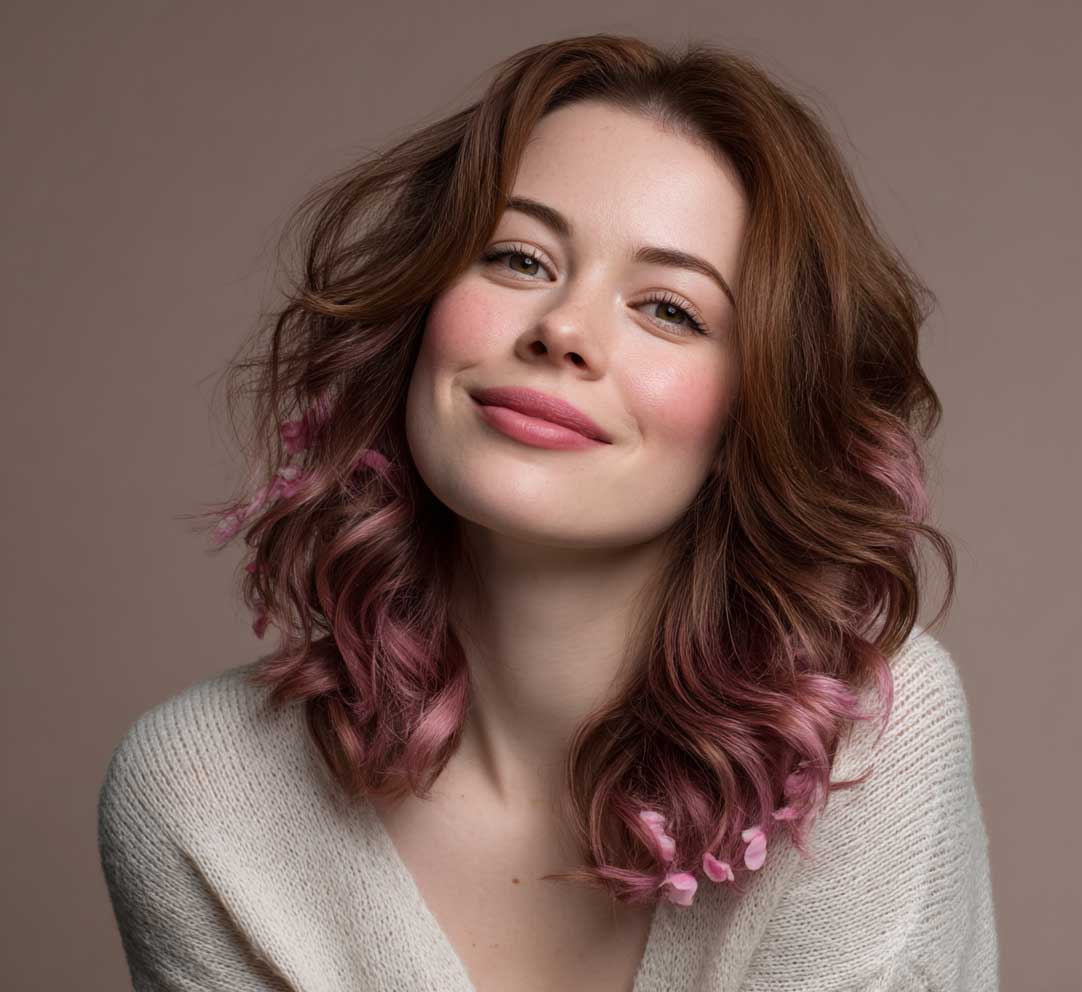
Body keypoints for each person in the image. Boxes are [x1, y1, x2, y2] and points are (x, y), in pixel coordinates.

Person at [97, 33, 998, 992]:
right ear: (417, 312)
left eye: (671, 310)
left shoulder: (866, 741)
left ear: (756, 412)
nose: (564, 330)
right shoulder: (201, 799)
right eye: (520, 257)